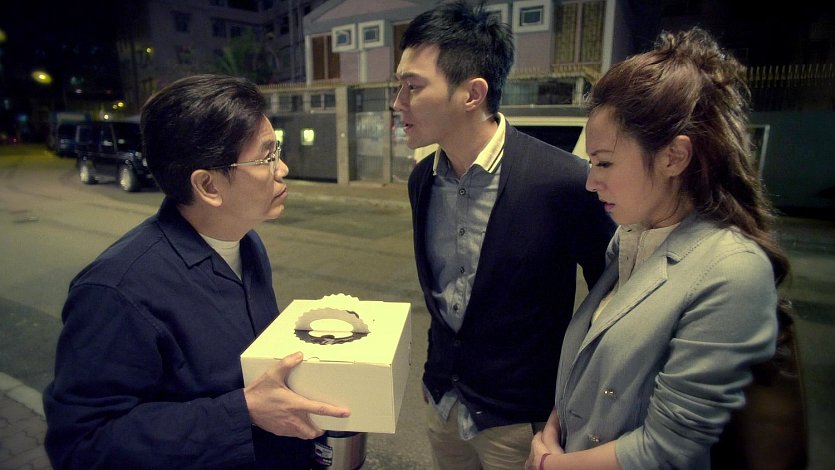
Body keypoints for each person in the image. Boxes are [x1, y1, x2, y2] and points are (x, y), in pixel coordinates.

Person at [42, 74, 350, 469]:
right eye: (267, 157)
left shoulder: (246, 243)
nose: (283, 168)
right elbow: (82, 444)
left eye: (278, 150)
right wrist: (243, 411)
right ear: (208, 186)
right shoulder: (114, 291)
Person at [526, 28, 792, 470]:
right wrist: (553, 429)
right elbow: (589, 367)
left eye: (604, 162)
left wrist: (547, 464)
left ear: (674, 157)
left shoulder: (732, 271)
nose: (591, 182)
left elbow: (669, 448)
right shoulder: (631, 237)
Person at [392, 2, 616, 469]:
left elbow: (612, 304)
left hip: (520, 422)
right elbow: (445, 297)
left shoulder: (564, 182)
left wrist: (572, 404)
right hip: (442, 403)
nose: (398, 103)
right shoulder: (422, 181)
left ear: (472, 93)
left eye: (412, 86)